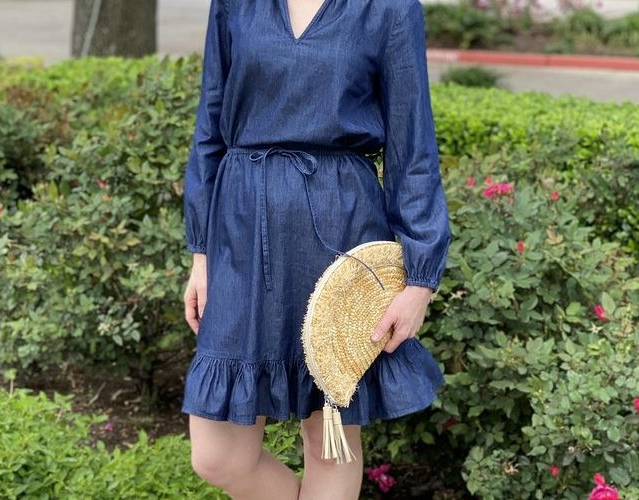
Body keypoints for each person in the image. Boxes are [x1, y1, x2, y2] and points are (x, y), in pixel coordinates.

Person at [181, 0, 452, 498]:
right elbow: (209, 129)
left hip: (341, 225)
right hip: (242, 233)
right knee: (218, 455)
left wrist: (420, 280)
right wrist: (201, 254)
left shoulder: (389, 9)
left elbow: (413, 147)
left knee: (329, 439)